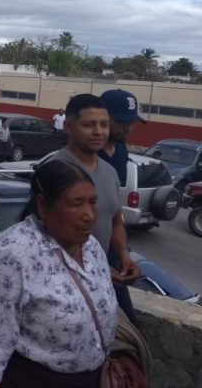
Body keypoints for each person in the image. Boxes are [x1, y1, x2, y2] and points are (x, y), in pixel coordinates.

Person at [0, 160, 118, 387]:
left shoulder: (92, 247)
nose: (89, 215)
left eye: (93, 202)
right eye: (76, 203)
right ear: (42, 204)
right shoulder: (12, 255)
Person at [48, 94, 140, 321]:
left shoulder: (110, 172)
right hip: (64, 282)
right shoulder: (54, 170)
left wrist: (124, 256)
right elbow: (42, 237)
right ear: (68, 127)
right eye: (89, 125)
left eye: (104, 124)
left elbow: (115, 220)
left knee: (127, 335)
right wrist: (90, 267)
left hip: (106, 274)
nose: (98, 131)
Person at [99, 89, 146, 324]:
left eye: (132, 122)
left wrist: (124, 253)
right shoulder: (87, 155)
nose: (128, 128)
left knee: (128, 322)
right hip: (83, 255)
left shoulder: (121, 150)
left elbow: (113, 208)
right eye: (122, 122)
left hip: (111, 252)